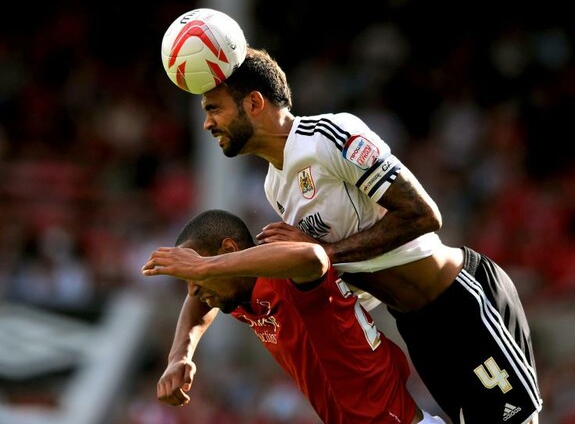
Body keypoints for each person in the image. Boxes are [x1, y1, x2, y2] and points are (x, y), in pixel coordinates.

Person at [191, 47, 543, 423]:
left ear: (254, 102)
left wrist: (326, 253)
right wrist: (184, 348)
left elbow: (423, 214)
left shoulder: (329, 136)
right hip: (417, 328)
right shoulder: (274, 188)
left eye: (214, 108)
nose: (207, 123)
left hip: (459, 302)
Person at [142, 209, 445, 423]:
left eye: (196, 276)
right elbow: (197, 303)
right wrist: (179, 356)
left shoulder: (283, 277)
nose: (193, 290)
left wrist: (204, 268)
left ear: (229, 250)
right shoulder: (241, 294)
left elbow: (314, 257)